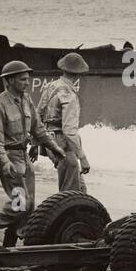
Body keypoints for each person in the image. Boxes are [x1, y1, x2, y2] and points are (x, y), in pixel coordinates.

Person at [0, 61, 65, 247]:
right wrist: (5, 163)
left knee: (28, 206)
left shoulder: (26, 100)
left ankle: (9, 242)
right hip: (10, 158)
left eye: (27, 78)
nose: (27, 82)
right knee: (21, 202)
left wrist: (55, 147)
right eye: (23, 79)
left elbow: (38, 129)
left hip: (24, 156)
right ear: (10, 80)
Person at [36, 52, 91, 193]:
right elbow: (69, 131)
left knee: (81, 191)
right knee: (69, 195)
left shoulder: (51, 86)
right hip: (63, 146)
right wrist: (82, 158)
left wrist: (35, 143)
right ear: (79, 74)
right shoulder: (69, 95)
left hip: (50, 143)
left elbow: (38, 115)